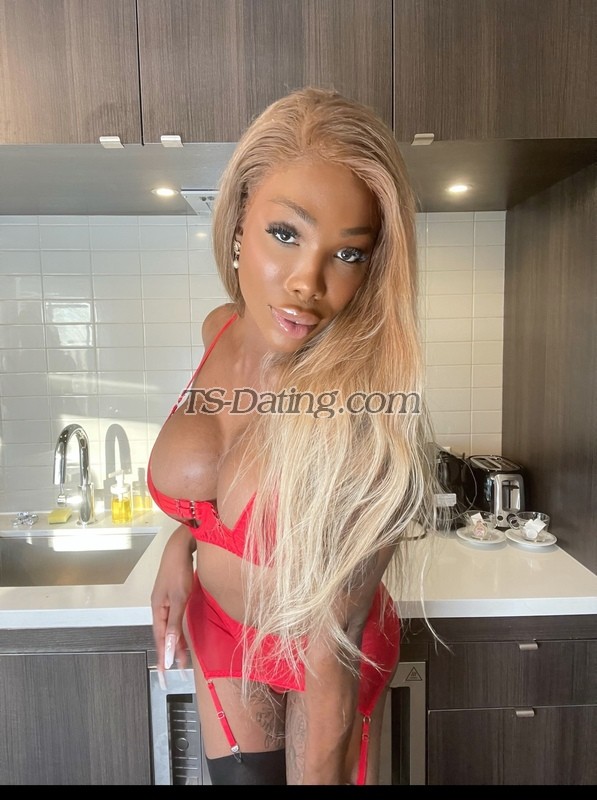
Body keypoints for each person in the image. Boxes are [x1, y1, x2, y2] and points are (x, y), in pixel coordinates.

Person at [148, 87, 435, 786]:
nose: (308, 282)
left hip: (322, 653)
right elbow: (218, 499)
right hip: (219, 626)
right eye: (286, 234)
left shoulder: (363, 418)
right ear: (238, 220)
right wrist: (180, 546)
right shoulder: (220, 328)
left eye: (349, 254)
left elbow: (335, 642)